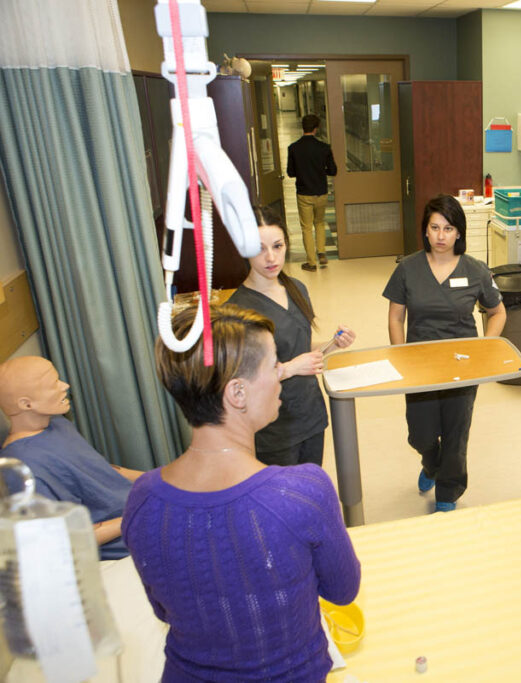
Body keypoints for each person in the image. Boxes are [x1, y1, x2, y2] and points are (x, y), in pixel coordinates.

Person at [122, 304, 360, 681]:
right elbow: (343, 591)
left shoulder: (143, 498)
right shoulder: (302, 493)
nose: (281, 377)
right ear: (237, 392)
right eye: (274, 367)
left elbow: (165, 610)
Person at [383, 194, 506, 512]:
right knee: (421, 434)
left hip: (463, 366)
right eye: (434, 227)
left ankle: (448, 493)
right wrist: (400, 357)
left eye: (448, 228)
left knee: (456, 433)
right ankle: (430, 463)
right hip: (419, 365)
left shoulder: (476, 270)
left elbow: (498, 313)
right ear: (424, 230)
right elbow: (396, 317)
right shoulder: (408, 269)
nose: (440, 236)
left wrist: (484, 347)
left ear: (459, 233)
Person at [228, 206, 354, 467]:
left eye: (278, 246)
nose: (271, 257)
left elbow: (297, 344)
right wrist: (290, 368)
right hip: (274, 428)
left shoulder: (296, 289)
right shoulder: (237, 310)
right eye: (260, 248)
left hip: (310, 413)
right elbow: (238, 382)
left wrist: (331, 345)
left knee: (309, 484)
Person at [0, 356, 143, 560]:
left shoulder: (56, 423)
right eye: (53, 384)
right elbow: (62, 540)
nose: (65, 386)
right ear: (26, 404)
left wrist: (158, 478)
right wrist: (139, 515)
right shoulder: (22, 468)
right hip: (126, 539)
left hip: (140, 512)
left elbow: (99, 469)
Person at [287, 113, 338, 271]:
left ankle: (311, 262)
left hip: (304, 193)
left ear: (304, 128)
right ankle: (321, 252)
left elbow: (291, 172)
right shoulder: (324, 148)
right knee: (320, 223)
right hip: (321, 193)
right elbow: (333, 171)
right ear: (316, 129)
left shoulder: (294, 148)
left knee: (307, 227)